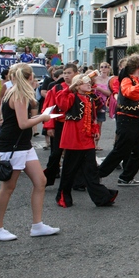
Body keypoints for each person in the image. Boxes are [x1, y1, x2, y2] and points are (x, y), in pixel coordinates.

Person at [0, 63, 59, 242]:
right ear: (30, 78)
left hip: (22, 144)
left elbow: (20, 120)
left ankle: (37, 225)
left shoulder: (14, 92)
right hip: (13, 145)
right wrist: (43, 118)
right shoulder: (19, 94)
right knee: (8, 187)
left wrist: (39, 117)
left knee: (40, 181)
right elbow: (22, 123)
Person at [54, 73, 118, 209]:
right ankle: (63, 196)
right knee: (68, 170)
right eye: (86, 83)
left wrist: (95, 130)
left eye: (89, 83)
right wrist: (71, 87)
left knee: (91, 170)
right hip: (73, 139)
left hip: (86, 139)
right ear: (78, 86)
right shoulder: (71, 97)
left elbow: (92, 117)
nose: (89, 84)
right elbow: (60, 100)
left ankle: (102, 197)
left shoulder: (89, 98)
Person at [98, 54, 139, 186]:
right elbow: (128, 92)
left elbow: (133, 98)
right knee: (121, 150)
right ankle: (98, 174)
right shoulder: (127, 79)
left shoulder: (134, 79)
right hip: (126, 119)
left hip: (134, 119)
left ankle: (126, 176)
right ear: (138, 67)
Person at [42, 63, 78, 185]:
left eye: (69, 73)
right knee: (56, 153)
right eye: (65, 73)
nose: (66, 75)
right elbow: (49, 108)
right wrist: (49, 126)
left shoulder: (81, 88)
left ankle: (76, 180)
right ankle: (48, 178)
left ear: (76, 73)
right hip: (60, 124)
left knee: (74, 154)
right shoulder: (56, 88)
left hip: (75, 125)